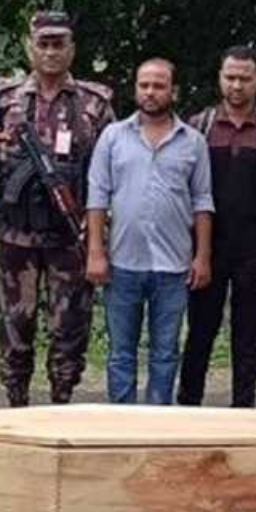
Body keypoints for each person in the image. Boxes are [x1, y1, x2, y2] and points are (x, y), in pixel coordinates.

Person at [0, 11, 114, 407]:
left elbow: (109, 170)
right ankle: (16, 404)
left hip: (70, 235)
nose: (50, 52)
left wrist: (98, 233)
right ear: (29, 47)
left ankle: (60, 403)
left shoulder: (95, 103)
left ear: (72, 48)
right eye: (43, 43)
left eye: (59, 44)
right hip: (16, 236)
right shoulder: (5, 100)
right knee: (16, 323)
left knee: (69, 326)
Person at [87, 58, 215, 404]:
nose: (150, 92)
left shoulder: (193, 142)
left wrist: (202, 257)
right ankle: (122, 422)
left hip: (173, 266)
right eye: (144, 85)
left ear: (172, 91)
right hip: (123, 263)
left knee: (165, 353)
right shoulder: (113, 137)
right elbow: (97, 195)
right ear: (135, 89)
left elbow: (203, 201)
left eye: (158, 85)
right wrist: (96, 252)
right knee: (121, 353)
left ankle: (158, 421)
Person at [177, 46, 256, 407]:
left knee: (248, 334)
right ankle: (188, 408)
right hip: (206, 248)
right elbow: (185, 190)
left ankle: (243, 411)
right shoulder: (199, 126)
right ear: (220, 79)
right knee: (200, 332)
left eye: (244, 78)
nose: (236, 85)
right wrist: (192, 250)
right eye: (230, 77)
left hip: (255, 249)